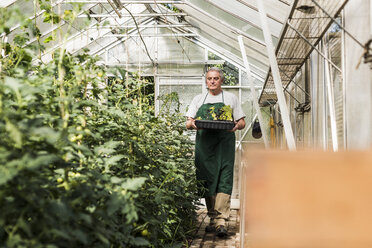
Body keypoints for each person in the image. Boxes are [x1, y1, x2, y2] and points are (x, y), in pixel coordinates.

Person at [185, 67, 246, 238]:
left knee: (224, 178)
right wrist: (193, 124)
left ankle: (221, 221)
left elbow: (241, 122)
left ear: (221, 80)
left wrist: (235, 125)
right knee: (207, 178)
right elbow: (188, 122)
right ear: (206, 81)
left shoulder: (231, 98)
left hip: (224, 145)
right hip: (204, 146)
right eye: (209, 78)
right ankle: (212, 218)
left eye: (216, 78)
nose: (212, 81)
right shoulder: (198, 99)